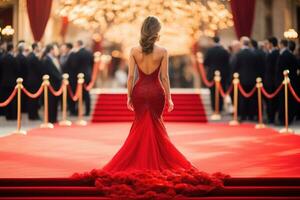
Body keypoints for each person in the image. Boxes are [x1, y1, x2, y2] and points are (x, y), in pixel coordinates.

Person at [102, 16, 192, 172]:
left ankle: (140, 161)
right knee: (156, 125)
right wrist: (169, 98)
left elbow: (130, 77)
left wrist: (129, 96)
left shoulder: (134, 51)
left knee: (140, 124)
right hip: (157, 92)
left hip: (139, 92)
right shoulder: (163, 51)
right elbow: (164, 77)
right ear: (157, 32)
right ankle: (156, 162)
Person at [232, 36, 260, 120]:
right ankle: (251, 115)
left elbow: (235, 67)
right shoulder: (254, 54)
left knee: (242, 98)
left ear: (241, 43)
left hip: (242, 79)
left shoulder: (239, 54)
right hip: (252, 79)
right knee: (252, 98)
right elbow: (256, 67)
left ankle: (243, 115)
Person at [203, 36, 230, 112]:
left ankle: (214, 108)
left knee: (213, 92)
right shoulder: (224, 51)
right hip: (222, 74)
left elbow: (206, 63)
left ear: (213, 41)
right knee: (221, 90)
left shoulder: (210, 51)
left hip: (212, 74)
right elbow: (228, 63)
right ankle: (220, 107)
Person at [275, 39, 298, 125]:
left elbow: (281, 70)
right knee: (288, 101)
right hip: (289, 82)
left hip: (284, 82)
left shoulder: (284, 55)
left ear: (281, 44)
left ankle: (284, 119)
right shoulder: (290, 55)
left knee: (284, 101)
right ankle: (287, 118)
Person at [41, 44, 62, 123]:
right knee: (50, 102)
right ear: (51, 50)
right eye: (56, 49)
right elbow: (51, 72)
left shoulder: (55, 59)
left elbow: (58, 70)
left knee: (55, 102)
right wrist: (60, 78)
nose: (57, 51)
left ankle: (54, 118)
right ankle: (50, 119)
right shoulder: (47, 59)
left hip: (56, 84)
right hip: (51, 84)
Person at [74, 40, 94, 116]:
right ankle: (88, 110)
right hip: (88, 74)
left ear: (78, 44)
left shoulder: (78, 53)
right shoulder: (89, 52)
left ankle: (78, 110)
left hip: (80, 76)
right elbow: (92, 63)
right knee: (87, 93)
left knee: (80, 93)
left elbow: (75, 65)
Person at [0, 42, 18, 120]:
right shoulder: (13, 59)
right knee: (13, 99)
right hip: (12, 82)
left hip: (4, 82)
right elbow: (17, 70)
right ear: (12, 48)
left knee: (6, 98)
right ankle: (13, 115)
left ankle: (7, 115)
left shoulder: (3, 58)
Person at [264, 37, 279, 123]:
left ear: (271, 44)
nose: (266, 45)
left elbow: (269, 68)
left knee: (271, 101)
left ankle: (271, 117)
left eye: (268, 43)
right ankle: (271, 116)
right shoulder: (274, 53)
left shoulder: (273, 54)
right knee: (271, 101)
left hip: (271, 81)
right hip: (271, 80)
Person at [60, 43, 77, 115]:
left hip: (71, 78)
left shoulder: (72, 55)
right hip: (69, 78)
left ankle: (72, 110)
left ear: (68, 48)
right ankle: (71, 109)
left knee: (71, 94)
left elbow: (71, 67)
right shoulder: (70, 55)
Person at [26, 43, 43, 120]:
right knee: (34, 99)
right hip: (34, 81)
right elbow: (39, 69)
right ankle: (33, 115)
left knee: (32, 99)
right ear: (35, 47)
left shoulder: (30, 56)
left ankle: (32, 114)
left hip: (30, 80)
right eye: (39, 46)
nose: (40, 48)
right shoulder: (34, 57)